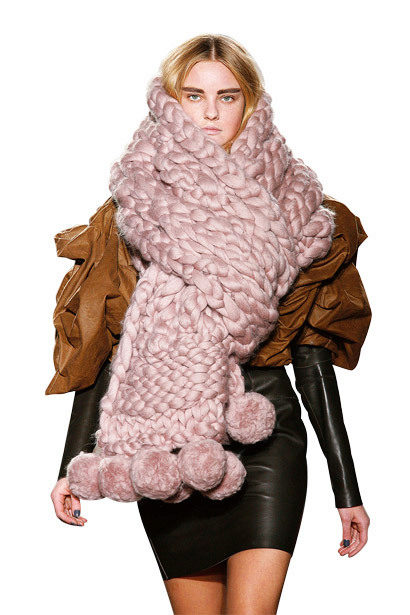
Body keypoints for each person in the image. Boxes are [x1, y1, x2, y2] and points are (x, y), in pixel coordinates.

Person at [49, 34, 371, 615]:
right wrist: (72, 464)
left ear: (251, 102)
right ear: (170, 102)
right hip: (172, 443)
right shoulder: (131, 209)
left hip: (267, 434)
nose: (210, 112)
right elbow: (107, 345)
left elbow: (312, 356)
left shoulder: (300, 207)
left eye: (227, 96)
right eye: (193, 95)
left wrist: (346, 489)